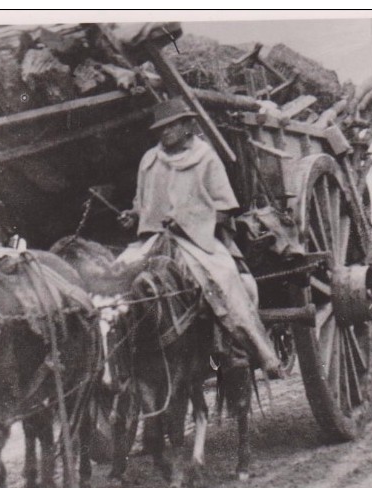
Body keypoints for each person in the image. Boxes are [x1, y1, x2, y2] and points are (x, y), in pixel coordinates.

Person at [118, 97, 281, 377]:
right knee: (119, 272)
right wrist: (133, 215)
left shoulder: (205, 157)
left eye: (171, 126)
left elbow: (225, 211)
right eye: (160, 128)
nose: (164, 133)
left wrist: (187, 221)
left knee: (227, 278)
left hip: (197, 241)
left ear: (186, 126)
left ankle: (256, 350)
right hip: (154, 240)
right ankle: (122, 353)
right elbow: (141, 202)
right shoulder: (149, 161)